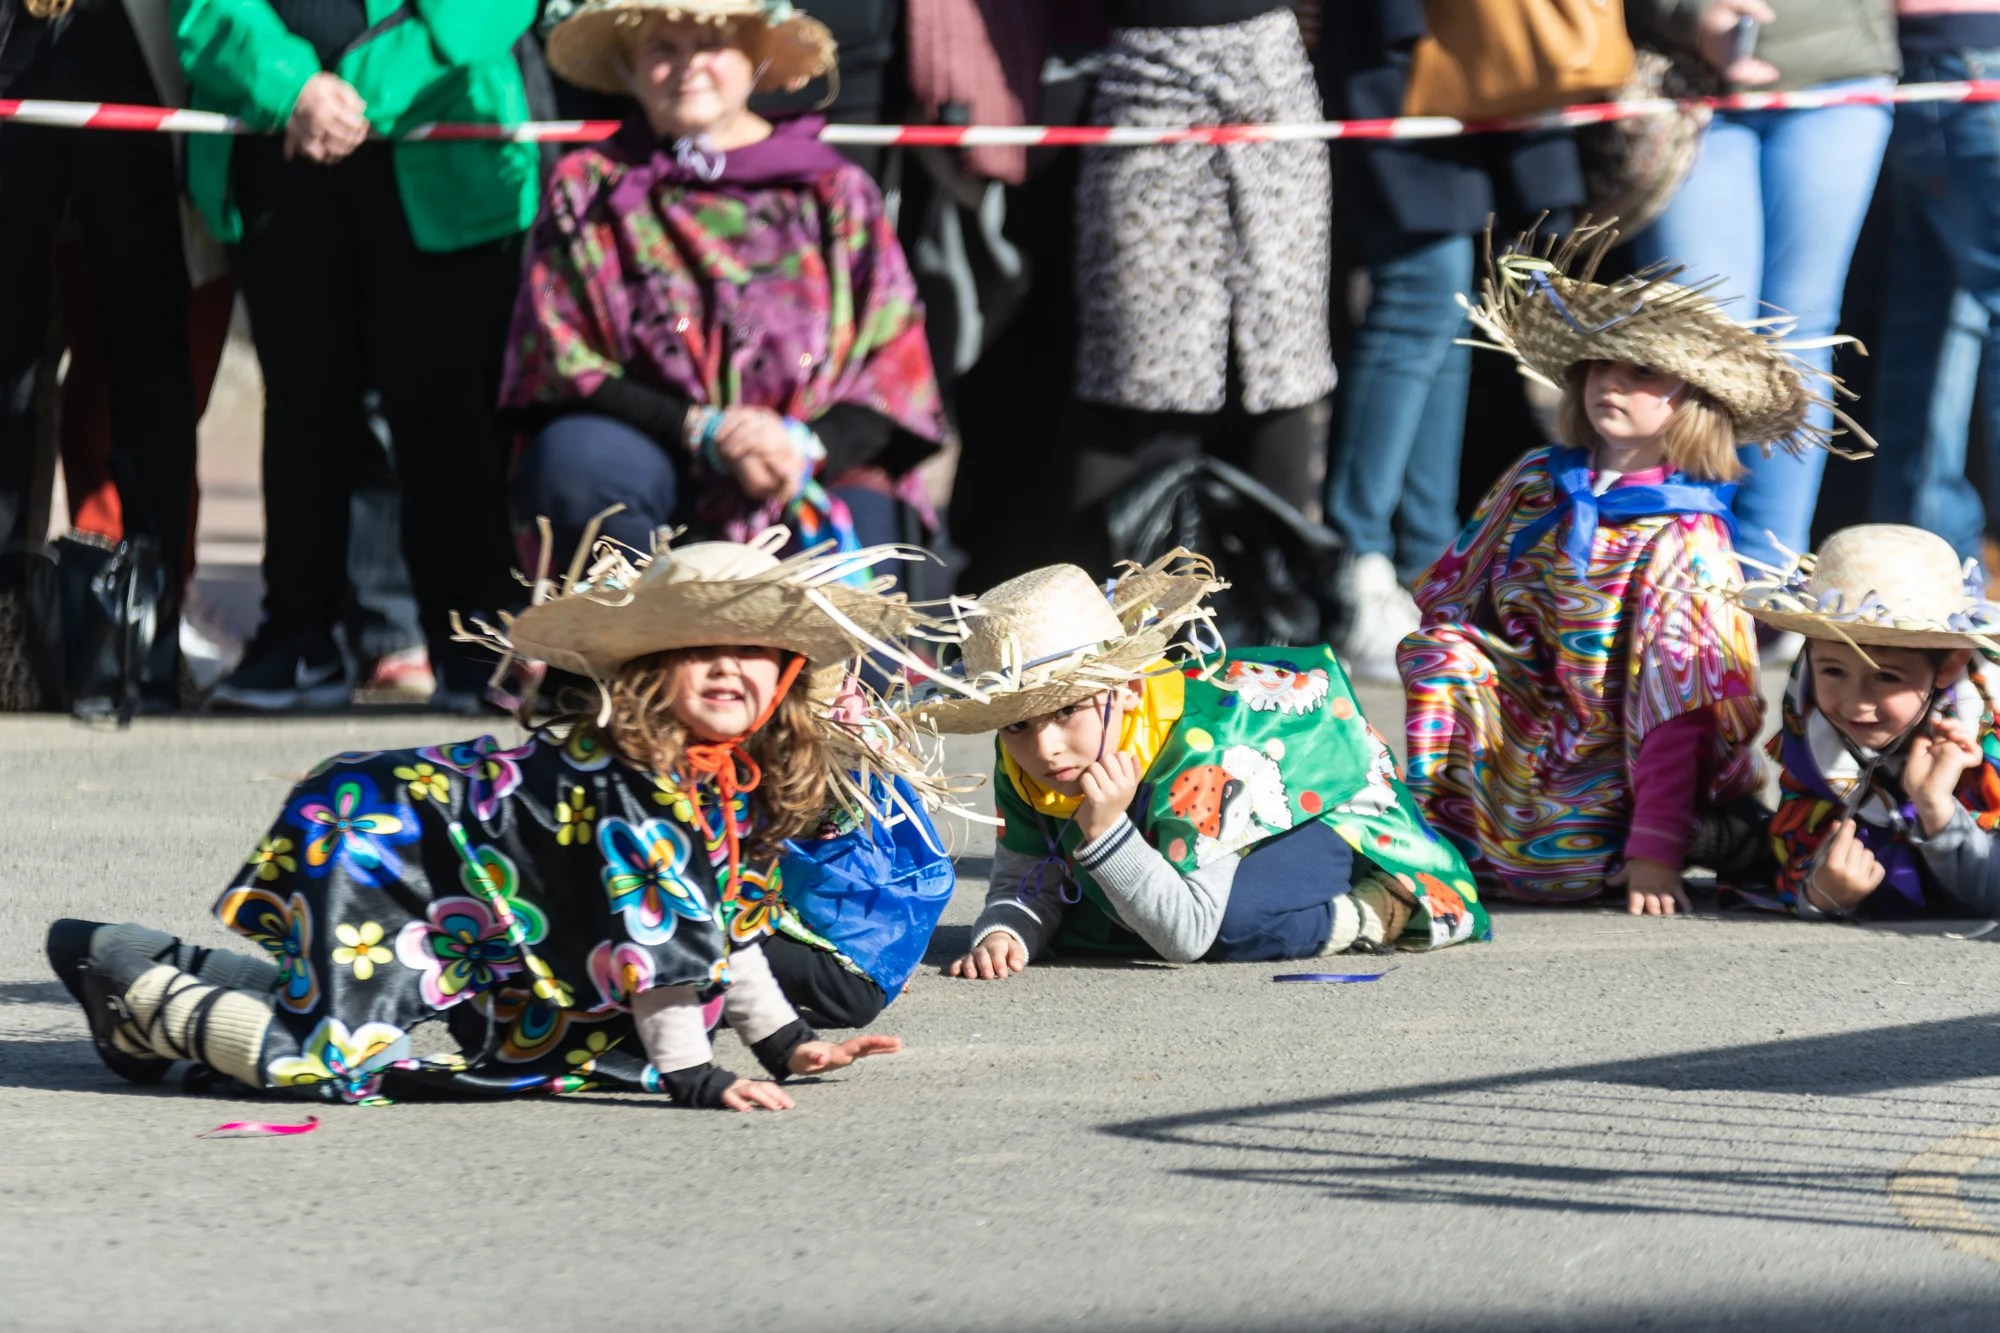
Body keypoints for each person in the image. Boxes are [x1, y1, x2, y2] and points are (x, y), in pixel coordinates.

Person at [43, 534, 933, 1109]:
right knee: (332, 1060)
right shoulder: (641, 779)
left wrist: (788, 1044)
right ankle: (136, 1000)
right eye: (698, 648)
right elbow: (662, 944)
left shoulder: (723, 778)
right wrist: (695, 1077)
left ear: (784, 676)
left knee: (372, 1009)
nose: (727, 666)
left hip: (438, 859)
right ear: (646, 671)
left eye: (751, 650)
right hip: (380, 836)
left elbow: (725, 926)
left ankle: (128, 952)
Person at [1399, 226, 1865, 913]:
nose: (1612, 381)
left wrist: (1655, 852)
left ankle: (1698, 834)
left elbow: (1680, 708)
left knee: (1563, 873)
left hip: (1628, 755)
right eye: (1600, 365)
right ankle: (1436, 837)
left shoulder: (1685, 536)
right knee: (1440, 651)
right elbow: (1453, 599)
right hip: (1537, 727)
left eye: (1643, 370)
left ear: (1694, 398)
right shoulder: (1535, 481)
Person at [180, 0, 543, 711]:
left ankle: (474, 648)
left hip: (441, 142)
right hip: (278, 147)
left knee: (447, 414)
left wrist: (350, 95)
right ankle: (298, 641)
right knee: (303, 408)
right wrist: (292, 90)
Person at [505, 0, 945, 577]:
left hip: (810, 464)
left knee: (877, 586)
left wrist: (802, 444)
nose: (689, 65)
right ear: (630, 65)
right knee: (576, 469)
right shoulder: (588, 188)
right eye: (663, 48)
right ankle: (640, 628)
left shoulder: (834, 191)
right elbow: (561, 357)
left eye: (710, 45)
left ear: (754, 57)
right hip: (655, 453)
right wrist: (702, 429)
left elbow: (895, 367)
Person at [904, 555, 1488, 979]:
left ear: (1129, 690)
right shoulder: (1029, 756)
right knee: (1102, 915)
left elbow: (1186, 936)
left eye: (1065, 711)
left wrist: (1105, 833)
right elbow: (1028, 879)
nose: (1046, 747)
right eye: (1018, 724)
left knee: (1223, 928)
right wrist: (1007, 930)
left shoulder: (1209, 751)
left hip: (1318, 815)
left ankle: (1373, 912)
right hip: (1175, 838)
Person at [1314, 0, 1587, 683]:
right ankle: (1359, 562)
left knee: (1450, 305)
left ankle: (1431, 566)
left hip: (1469, 61)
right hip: (1402, 59)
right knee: (1423, 292)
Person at [1625, 0, 1898, 660]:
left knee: (1800, 331)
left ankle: (1767, 579)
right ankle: (1676, 565)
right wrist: (1693, 16)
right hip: (1683, 76)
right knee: (1700, 330)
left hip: (1837, 69)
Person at [0, 0, 217, 710]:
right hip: (16, 42)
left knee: (148, 351)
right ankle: (7, 633)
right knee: (8, 360)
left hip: (126, 35)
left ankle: (146, 643)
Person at [1068, 0, 1335, 529]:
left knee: (1282, 362)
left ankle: (1276, 574)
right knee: (1139, 365)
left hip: (1269, 78)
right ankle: (1126, 570)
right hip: (1148, 82)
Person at [1722, 524, 2000, 919]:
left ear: (1949, 665)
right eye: (1833, 671)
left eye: (1886, 677)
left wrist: (1935, 807)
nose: (1855, 704)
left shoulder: (1989, 735)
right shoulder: (1808, 714)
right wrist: (1819, 893)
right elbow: (1799, 841)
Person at [1869, 1, 2000, 566]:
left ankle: (1920, 571)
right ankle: (1923, 571)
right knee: (1935, 317)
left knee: (1934, 316)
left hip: (1936, 58)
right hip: (1964, 54)